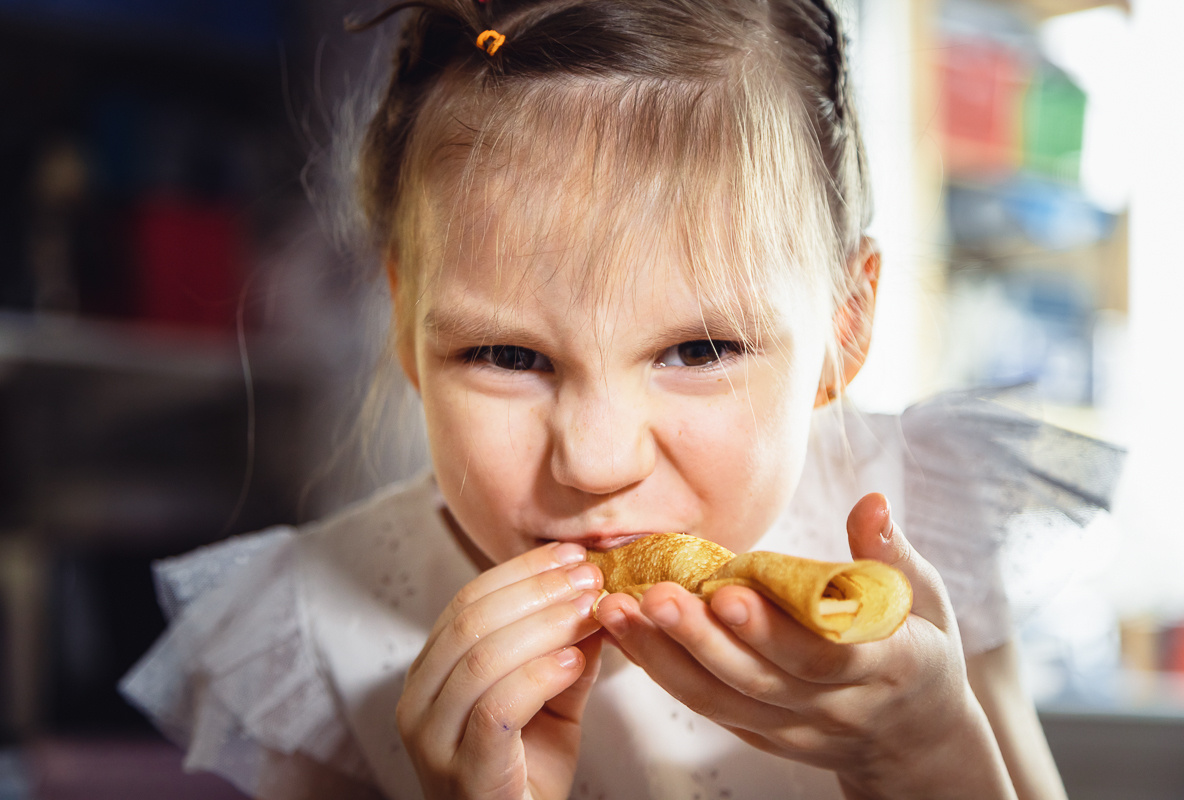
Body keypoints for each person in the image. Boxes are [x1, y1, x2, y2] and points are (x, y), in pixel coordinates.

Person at [121, 1, 1124, 798]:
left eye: (698, 347)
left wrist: (931, 756)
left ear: (845, 327)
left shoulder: (913, 529)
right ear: (405, 320)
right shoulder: (326, 632)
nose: (596, 460)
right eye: (508, 353)